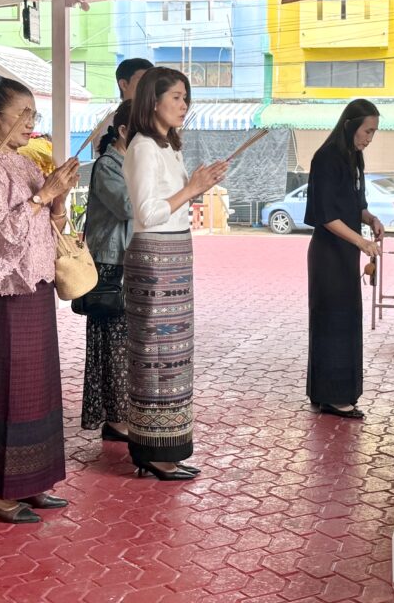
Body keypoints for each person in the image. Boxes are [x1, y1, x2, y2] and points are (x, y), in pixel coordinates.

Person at [0, 72, 79, 523]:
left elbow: (50, 229)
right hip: (4, 292)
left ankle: (30, 482)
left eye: (34, 113)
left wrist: (58, 199)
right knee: (5, 387)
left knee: (38, 387)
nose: (31, 122)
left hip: (36, 286)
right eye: (23, 113)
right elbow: (2, 231)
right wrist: (42, 197)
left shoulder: (28, 163)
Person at [123, 67, 227, 480]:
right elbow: (147, 213)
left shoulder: (168, 145)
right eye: (177, 97)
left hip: (175, 254)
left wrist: (198, 186)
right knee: (155, 354)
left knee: (174, 354)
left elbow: (174, 206)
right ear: (153, 101)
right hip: (154, 257)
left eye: (186, 98)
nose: (184, 105)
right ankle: (152, 450)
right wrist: (192, 188)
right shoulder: (143, 147)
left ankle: (168, 445)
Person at [304, 99, 384, 420]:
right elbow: (326, 216)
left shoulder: (354, 157)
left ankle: (329, 393)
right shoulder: (326, 158)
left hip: (346, 253)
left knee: (347, 321)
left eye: (374, 132)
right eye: (367, 131)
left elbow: (355, 205)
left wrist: (371, 218)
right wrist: (362, 242)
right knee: (331, 323)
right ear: (350, 126)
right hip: (328, 255)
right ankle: (332, 398)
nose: (369, 138)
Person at [82, 99, 133, 442]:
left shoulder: (134, 164)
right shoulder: (108, 166)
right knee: (112, 344)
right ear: (124, 131)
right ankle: (116, 419)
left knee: (127, 343)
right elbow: (130, 207)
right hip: (110, 265)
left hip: (130, 261)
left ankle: (123, 414)